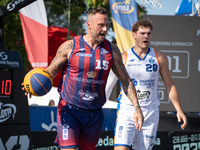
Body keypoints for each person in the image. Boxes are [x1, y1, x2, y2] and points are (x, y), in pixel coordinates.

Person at [22, 7, 144, 150]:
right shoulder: (69, 46)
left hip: (94, 114)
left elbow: (126, 81)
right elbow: (49, 73)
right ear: (89, 24)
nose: (105, 29)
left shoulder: (112, 50)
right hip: (69, 111)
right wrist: (34, 86)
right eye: (101, 25)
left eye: (107, 25)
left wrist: (137, 108)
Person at [105, 19, 187, 150]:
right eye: (142, 33)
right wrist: (98, 105)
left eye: (148, 33)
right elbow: (108, 85)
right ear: (134, 35)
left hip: (150, 112)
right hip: (127, 110)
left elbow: (169, 85)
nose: (146, 37)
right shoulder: (123, 57)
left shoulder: (159, 57)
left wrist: (178, 109)